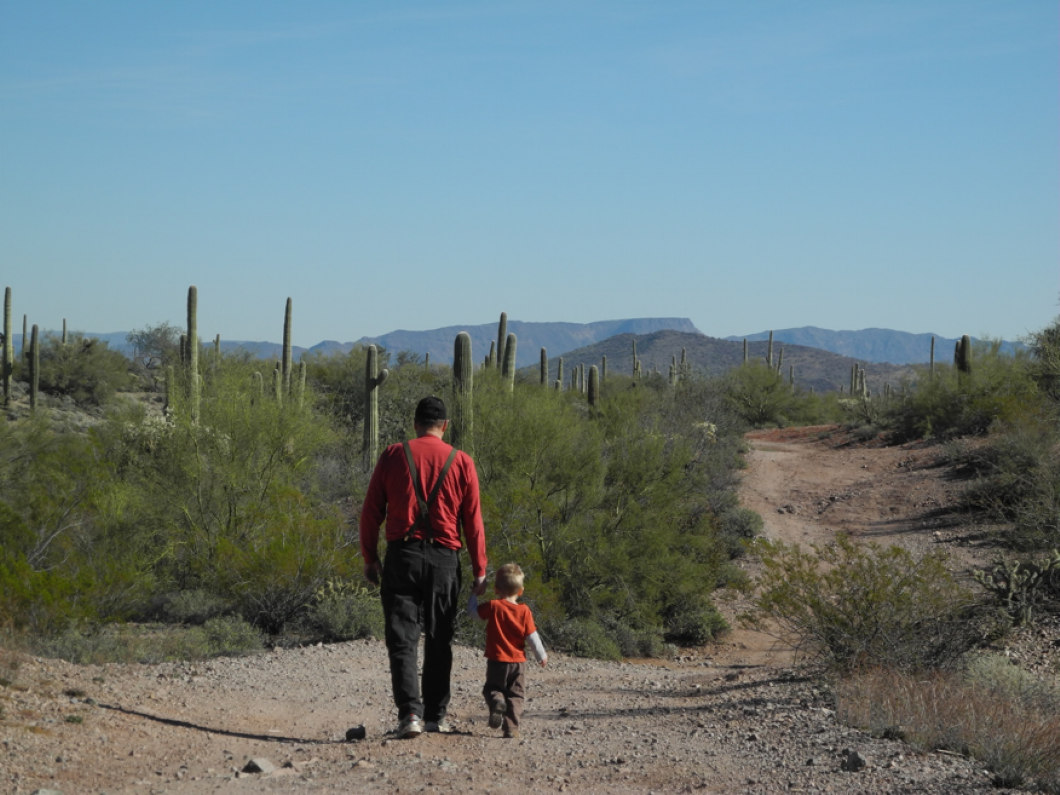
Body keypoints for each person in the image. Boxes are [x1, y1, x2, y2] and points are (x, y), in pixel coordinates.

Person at [360, 395, 488, 739]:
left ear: (415, 423)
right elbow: (473, 520)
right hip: (445, 559)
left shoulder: (392, 455)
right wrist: (480, 568)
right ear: (444, 426)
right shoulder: (462, 462)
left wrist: (370, 558)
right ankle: (435, 716)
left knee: (402, 638)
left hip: (402, 556)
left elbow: (371, 512)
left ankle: (410, 716)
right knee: (440, 637)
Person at [468, 562, 547, 739]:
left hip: (497, 660)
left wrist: (473, 594)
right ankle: (511, 728)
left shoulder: (494, 606)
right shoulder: (524, 611)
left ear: (496, 589)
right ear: (521, 591)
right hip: (518, 663)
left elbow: (473, 613)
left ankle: (497, 701)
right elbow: (532, 636)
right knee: (516, 695)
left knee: (493, 688)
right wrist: (541, 655)